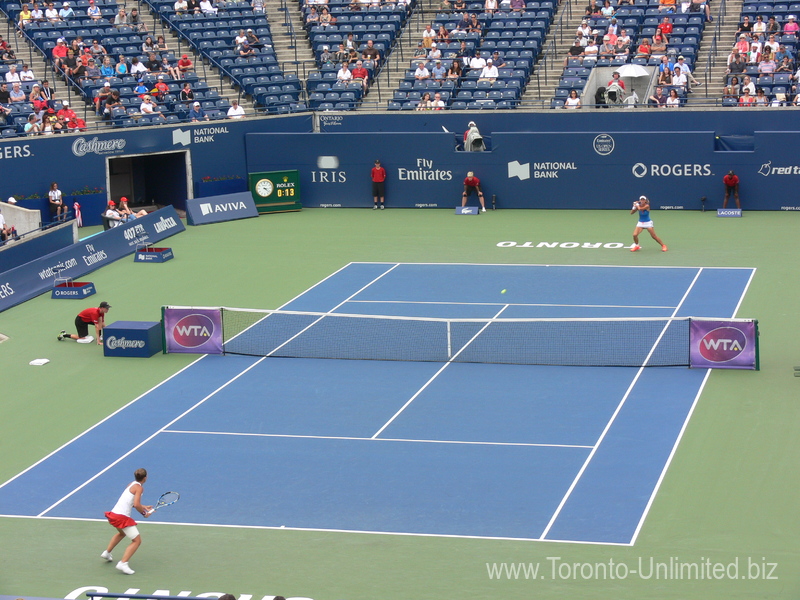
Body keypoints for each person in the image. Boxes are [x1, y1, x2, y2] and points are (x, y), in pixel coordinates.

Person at [100, 468, 152, 575]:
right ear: (145, 478)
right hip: (121, 517)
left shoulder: (131, 484)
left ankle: (107, 553)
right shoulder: (139, 489)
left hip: (114, 514)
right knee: (137, 541)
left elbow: (131, 502)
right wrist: (144, 514)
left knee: (122, 533)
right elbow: (136, 505)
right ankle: (123, 563)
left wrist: (144, 506)